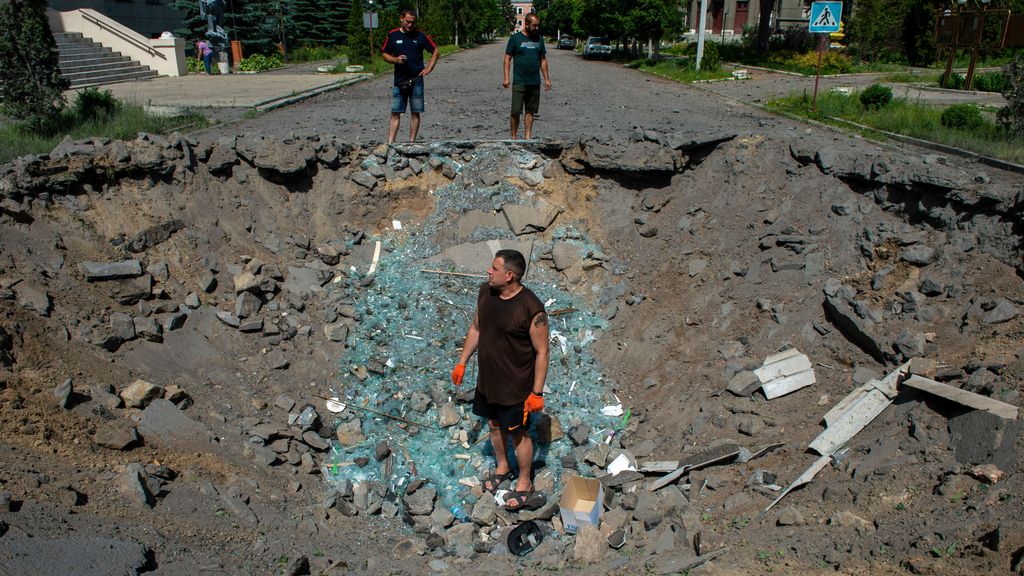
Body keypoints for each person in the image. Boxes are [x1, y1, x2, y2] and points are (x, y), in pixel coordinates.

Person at [451, 249, 550, 512]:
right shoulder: (486, 292)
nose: (488, 272)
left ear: (509, 275)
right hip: (488, 381)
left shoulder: (531, 308)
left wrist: (537, 393)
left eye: (494, 268)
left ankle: (525, 482)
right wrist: (462, 361)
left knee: (518, 434)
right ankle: (503, 467)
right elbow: (476, 328)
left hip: (516, 386)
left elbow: (542, 352)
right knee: (494, 425)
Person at [381, 9, 439, 144]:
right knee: (395, 112)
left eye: (412, 22)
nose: (410, 25)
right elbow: (384, 54)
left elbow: (435, 51)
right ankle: (390, 143)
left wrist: (429, 68)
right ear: (401, 19)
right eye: (407, 21)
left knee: (415, 112)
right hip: (399, 80)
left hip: (417, 79)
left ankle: (411, 142)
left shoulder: (420, 36)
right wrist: (396, 60)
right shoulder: (393, 35)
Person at [503, 13, 551, 140]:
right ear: (527, 24)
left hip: (534, 82)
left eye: (537, 25)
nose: (536, 28)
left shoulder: (539, 39)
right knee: (515, 111)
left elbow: (543, 60)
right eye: (534, 25)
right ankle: (513, 137)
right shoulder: (515, 39)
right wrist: (506, 78)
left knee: (530, 111)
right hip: (519, 82)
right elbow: (507, 58)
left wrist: (546, 79)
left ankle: (527, 137)